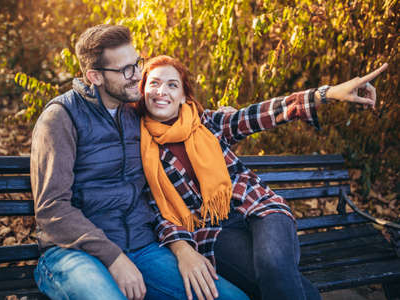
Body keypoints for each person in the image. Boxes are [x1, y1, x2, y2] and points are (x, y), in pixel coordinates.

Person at [137, 55, 388, 300]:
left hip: (258, 206)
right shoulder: (138, 147)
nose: (162, 91)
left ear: (183, 96)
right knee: (276, 279)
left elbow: (262, 114)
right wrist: (179, 245)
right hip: (214, 230)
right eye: (154, 83)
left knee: (273, 264)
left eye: (172, 85)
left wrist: (326, 94)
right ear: (143, 91)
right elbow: (156, 209)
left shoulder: (208, 123)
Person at [31, 25, 249, 300]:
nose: (138, 76)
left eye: (137, 64)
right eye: (126, 70)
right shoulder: (61, 117)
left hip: (142, 248)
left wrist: (222, 118)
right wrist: (114, 258)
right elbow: (52, 210)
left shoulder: (136, 114)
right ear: (94, 76)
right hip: (72, 254)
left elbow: (184, 119)